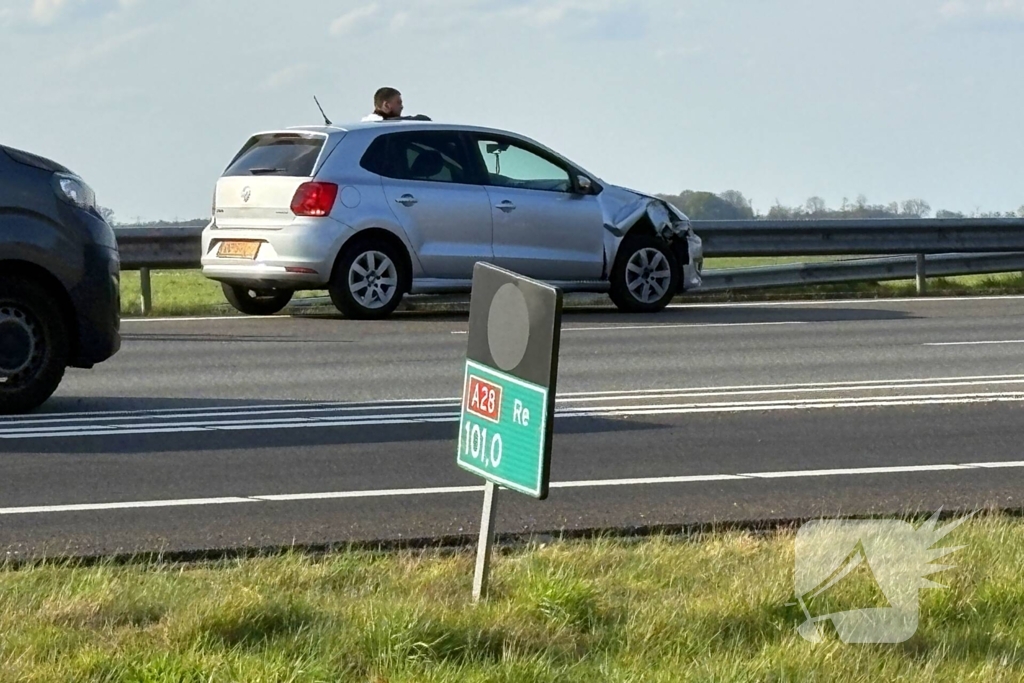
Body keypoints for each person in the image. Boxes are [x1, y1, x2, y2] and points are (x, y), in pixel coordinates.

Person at [361, 87, 432, 122]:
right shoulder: (381, 124)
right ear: (386, 105)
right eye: (398, 103)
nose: (401, 107)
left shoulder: (365, 126)